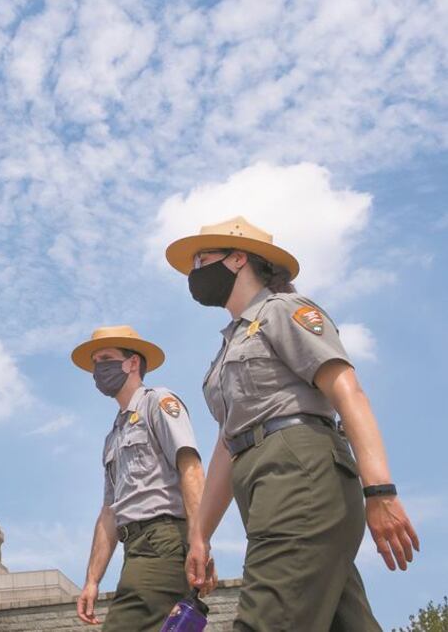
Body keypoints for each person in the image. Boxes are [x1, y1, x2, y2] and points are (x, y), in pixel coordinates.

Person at [167, 216, 419, 630]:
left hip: (299, 477)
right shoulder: (229, 344)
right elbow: (230, 443)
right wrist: (200, 534)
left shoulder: (284, 311)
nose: (195, 270)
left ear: (237, 259)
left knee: (265, 622)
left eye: (202, 258)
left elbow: (347, 391)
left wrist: (381, 491)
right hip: (267, 488)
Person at [71, 326, 209, 630]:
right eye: (95, 363)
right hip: (135, 548)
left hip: (162, 540)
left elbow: (191, 469)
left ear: (132, 363)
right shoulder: (113, 437)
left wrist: (200, 539)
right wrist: (91, 581)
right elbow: (110, 512)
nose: (98, 369)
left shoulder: (158, 403)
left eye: (105, 358)